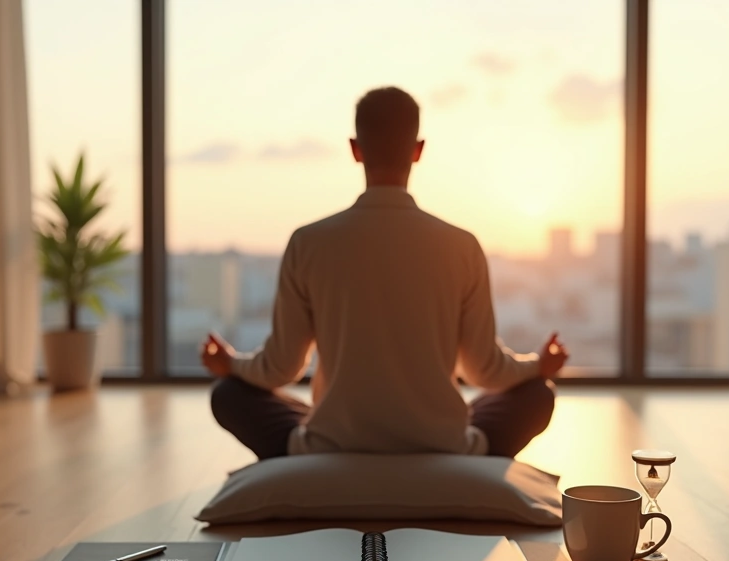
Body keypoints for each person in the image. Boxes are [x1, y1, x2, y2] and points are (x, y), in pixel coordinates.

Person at [202, 86, 569, 460]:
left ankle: (319, 436)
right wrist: (540, 365)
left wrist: (229, 363)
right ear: (419, 150)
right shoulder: (462, 245)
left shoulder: (308, 242)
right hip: (441, 440)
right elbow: (484, 370)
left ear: (354, 148)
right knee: (538, 394)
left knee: (229, 394)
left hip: (336, 439)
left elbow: (281, 368)